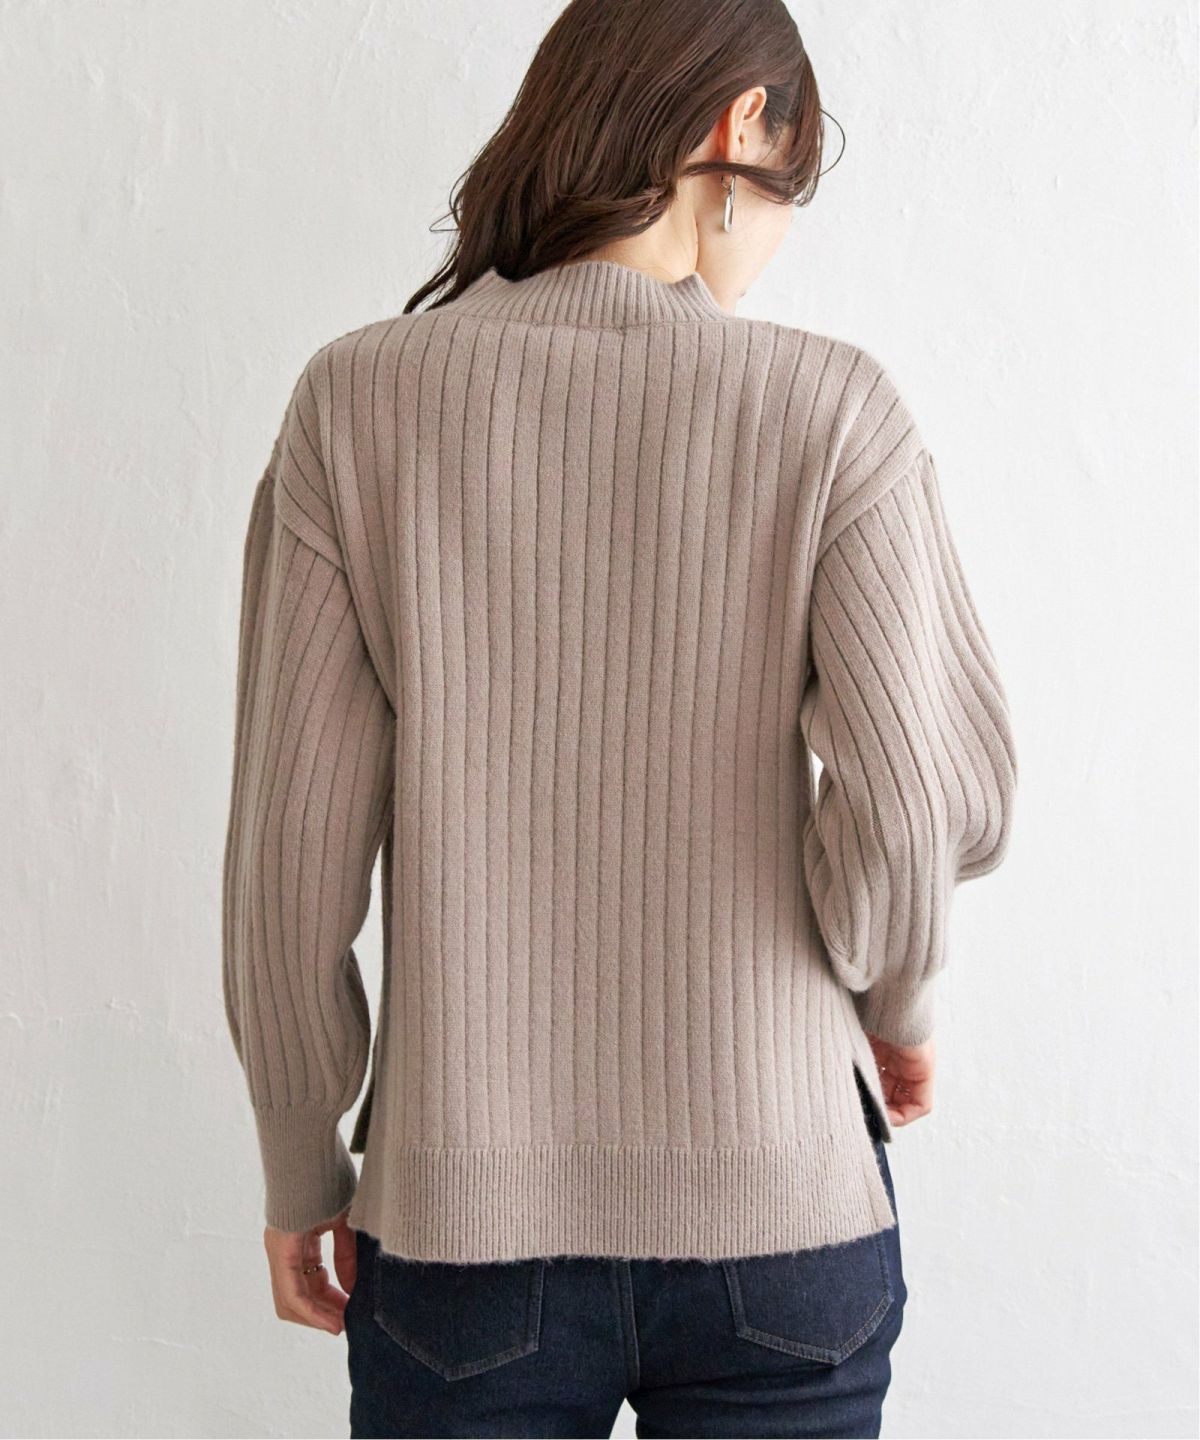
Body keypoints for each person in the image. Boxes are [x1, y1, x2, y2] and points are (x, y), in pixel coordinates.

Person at [220, 0, 1018, 1434]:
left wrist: (298, 1159)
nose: (782, 237)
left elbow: (291, 857)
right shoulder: (832, 409)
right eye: (795, 184)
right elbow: (914, 803)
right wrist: (897, 998)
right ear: (739, 127)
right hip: (784, 1208)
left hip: (461, 1228)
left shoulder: (355, 403)